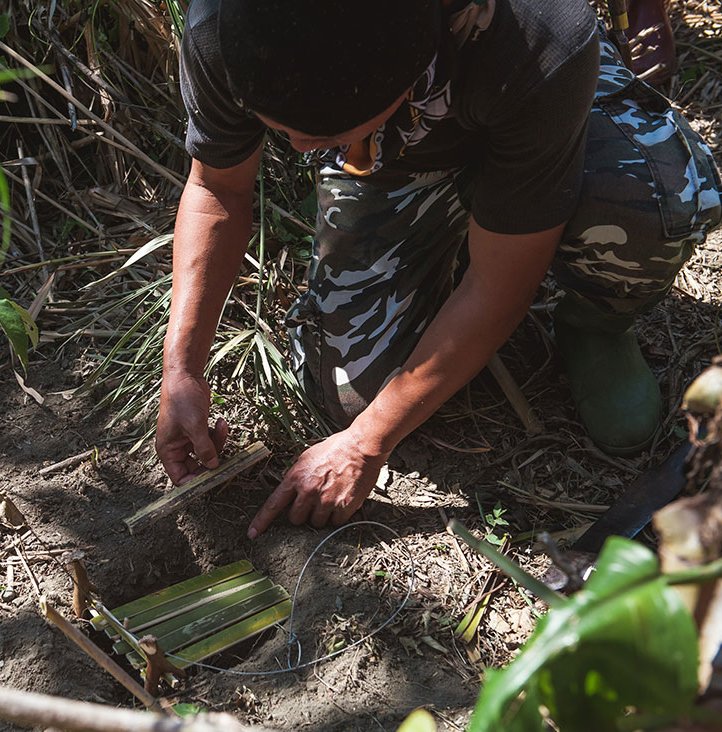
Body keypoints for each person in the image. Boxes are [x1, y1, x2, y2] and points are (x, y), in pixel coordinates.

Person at [155, 0, 722, 539]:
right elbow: (217, 187)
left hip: (529, 104)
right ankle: (433, 249)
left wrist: (366, 444)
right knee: (350, 394)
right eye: (281, 130)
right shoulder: (227, 27)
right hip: (399, 158)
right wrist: (182, 366)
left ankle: (594, 323)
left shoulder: (536, 33)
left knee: (657, 201)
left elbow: (501, 282)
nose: (303, 150)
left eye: (322, 137)